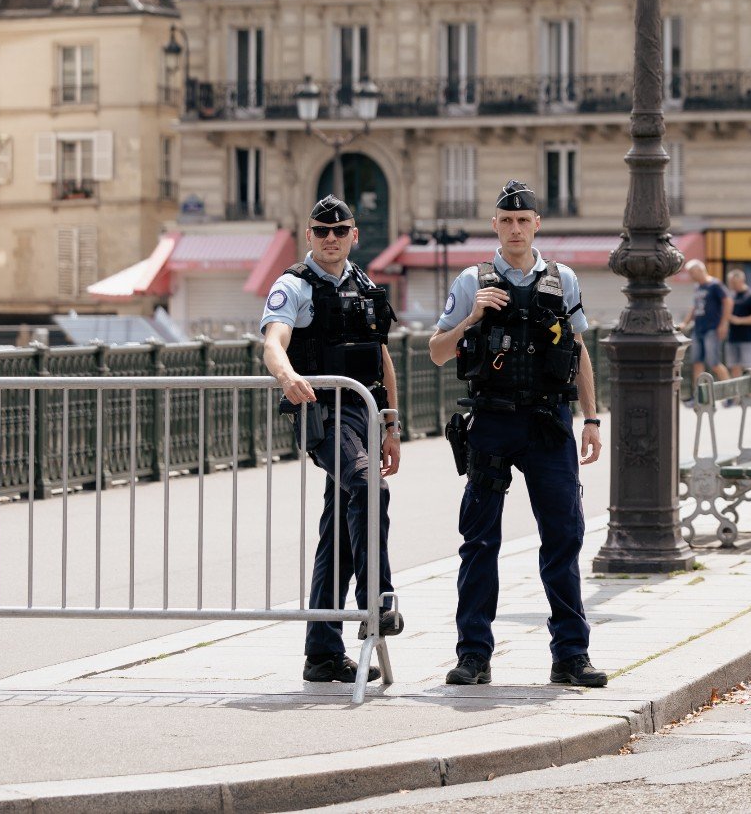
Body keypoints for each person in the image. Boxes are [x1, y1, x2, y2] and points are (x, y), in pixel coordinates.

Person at [430, 181, 607, 689]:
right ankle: (473, 655)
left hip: (549, 422)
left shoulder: (562, 279)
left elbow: (578, 350)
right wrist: (472, 316)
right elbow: (437, 351)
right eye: (505, 221)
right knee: (480, 540)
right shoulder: (471, 280)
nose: (514, 229)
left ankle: (571, 656)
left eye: (522, 220)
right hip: (491, 422)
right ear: (494, 225)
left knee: (564, 536)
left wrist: (591, 419)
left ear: (536, 225)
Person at [260, 195, 403, 685]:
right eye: (321, 231)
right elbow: (273, 341)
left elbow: (382, 358)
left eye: (340, 231)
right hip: (323, 415)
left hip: (364, 415)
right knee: (368, 488)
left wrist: (391, 425)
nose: (330, 239)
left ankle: (322, 652)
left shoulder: (365, 287)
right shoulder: (293, 285)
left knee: (338, 534)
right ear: (308, 235)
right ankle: (376, 601)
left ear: (354, 236)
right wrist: (286, 376)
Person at [682, 260, 732, 388]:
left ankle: (731, 395)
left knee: (714, 363)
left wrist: (724, 324)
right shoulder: (697, 287)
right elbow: (695, 307)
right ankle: (698, 397)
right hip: (698, 328)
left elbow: (728, 302)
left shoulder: (715, 285)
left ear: (699, 270)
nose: (691, 276)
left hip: (712, 328)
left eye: (692, 273)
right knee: (697, 363)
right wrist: (685, 323)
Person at [723, 269, 751, 374]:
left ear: (742, 281)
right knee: (734, 366)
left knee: (748, 367)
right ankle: (737, 390)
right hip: (732, 338)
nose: (732, 285)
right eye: (730, 283)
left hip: (747, 338)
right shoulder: (731, 295)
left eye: (734, 283)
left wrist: (740, 320)